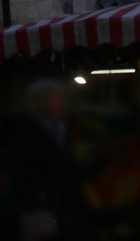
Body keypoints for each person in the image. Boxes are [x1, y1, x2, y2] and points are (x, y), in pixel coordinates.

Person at [6, 80, 89, 241]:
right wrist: (37, 194)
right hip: (40, 205)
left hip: (65, 203)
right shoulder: (26, 129)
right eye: (57, 98)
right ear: (43, 100)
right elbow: (20, 168)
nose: (61, 103)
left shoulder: (59, 127)